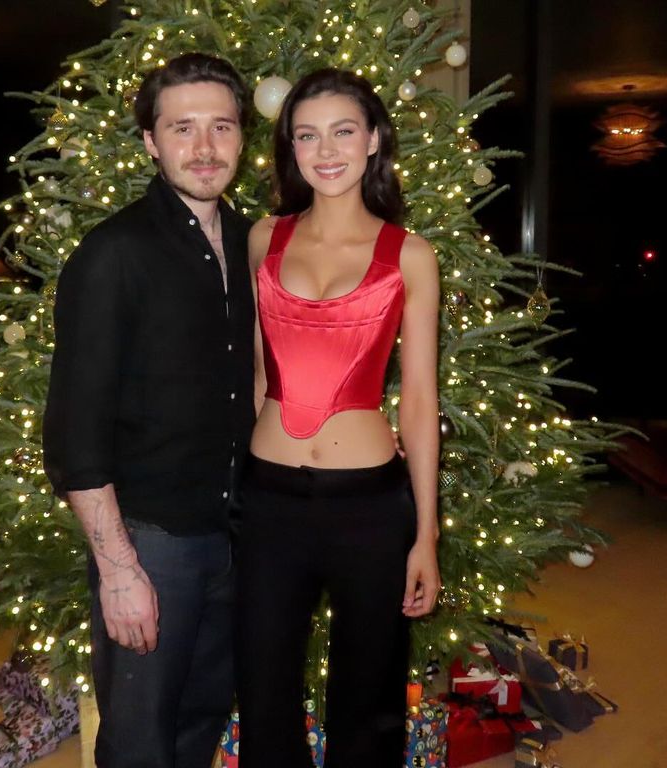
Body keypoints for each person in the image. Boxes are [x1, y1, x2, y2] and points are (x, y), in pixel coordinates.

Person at [42, 53, 255, 768]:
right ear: (150, 142)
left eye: (221, 127)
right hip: (152, 543)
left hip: (235, 532)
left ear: (242, 138)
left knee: (200, 723)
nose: (204, 148)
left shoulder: (252, 245)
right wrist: (120, 569)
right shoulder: (113, 254)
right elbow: (76, 429)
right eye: (182, 128)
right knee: (139, 745)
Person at [235, 69, 441, 767]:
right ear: (290, 148)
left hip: (370, 505)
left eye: (343, 131)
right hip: (268, 500)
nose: (325, 150)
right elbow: (261, 373)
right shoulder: (264, 238)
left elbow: (418, 401)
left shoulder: (409, 255)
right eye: (306, 134)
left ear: (374, 139)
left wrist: (426, 535)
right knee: (263, 688)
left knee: (370, 695)